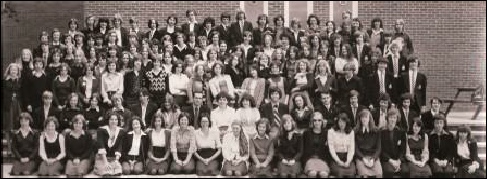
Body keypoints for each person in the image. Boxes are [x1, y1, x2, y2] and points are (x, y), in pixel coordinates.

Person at [94, 112, 125, 176]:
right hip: (102, 157)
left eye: (116, 119)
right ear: (108, 120)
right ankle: (97, 167)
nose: (114, 121)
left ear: (118, 121)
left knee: (117, 172)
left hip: (113, 158)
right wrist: (105, 162)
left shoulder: (121, 131)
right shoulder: (101, 130)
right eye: (111, 119)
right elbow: (101, 146)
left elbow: (120, 147)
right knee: (107, 173)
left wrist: (116, 161)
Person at [380, 108, 408, 178]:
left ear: (397, 119)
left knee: (406, 171)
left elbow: (403, 150)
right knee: (389, 171)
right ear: (387, 118)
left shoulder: (401, 132)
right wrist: (391, 161)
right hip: (387, 159)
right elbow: (381, 150)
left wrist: (398, 161)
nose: (392, 120)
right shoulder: (382, 132)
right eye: (391, 117)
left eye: (394, 117)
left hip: (399, 159)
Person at [354, 110, 383, 178]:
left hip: (373, 157)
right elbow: (356, 149)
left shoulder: (376, 131)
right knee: (365, 175)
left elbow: (379, 148)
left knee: (379, 174)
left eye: (366, 117)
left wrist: (373, 159)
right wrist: (363, 158)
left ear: (370, 118)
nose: (364, 119)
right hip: (361, 157)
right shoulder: (356, 131)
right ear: (360, 119)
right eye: (362, 117)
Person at [302, 112, 330, 178]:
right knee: (312, 173)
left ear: (322, 121)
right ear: (312, 121)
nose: (317, 122)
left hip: (322, 159)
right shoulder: (307, 133)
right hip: (310, 159)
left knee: (324, 174)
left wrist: (327, 161)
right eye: (315, 120)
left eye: (319, 120)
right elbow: (303, 149)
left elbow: (328, 150)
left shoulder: (327, 133)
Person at [328, 113, 356, 177]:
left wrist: (348, 161)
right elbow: (331, 148)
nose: (341, 124)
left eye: (343, 121)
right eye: (340, 121)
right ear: (337, 122)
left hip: (347, 157)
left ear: (346, 122)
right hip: (335, 158)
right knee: (340, 172)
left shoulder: (351, 132)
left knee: (351, 172)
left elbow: (351, 148)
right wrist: (338, 161)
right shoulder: (331, 132)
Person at [3, 63, 23, 134]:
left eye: (15, 70)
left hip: (18, 103)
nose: (13, 71)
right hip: (8, 103)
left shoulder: (20, 80)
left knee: (18, 119)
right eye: (12, 70)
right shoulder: (5, 81)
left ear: (18, 71)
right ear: (9, 71)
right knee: (9, 122)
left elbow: (22, 92)